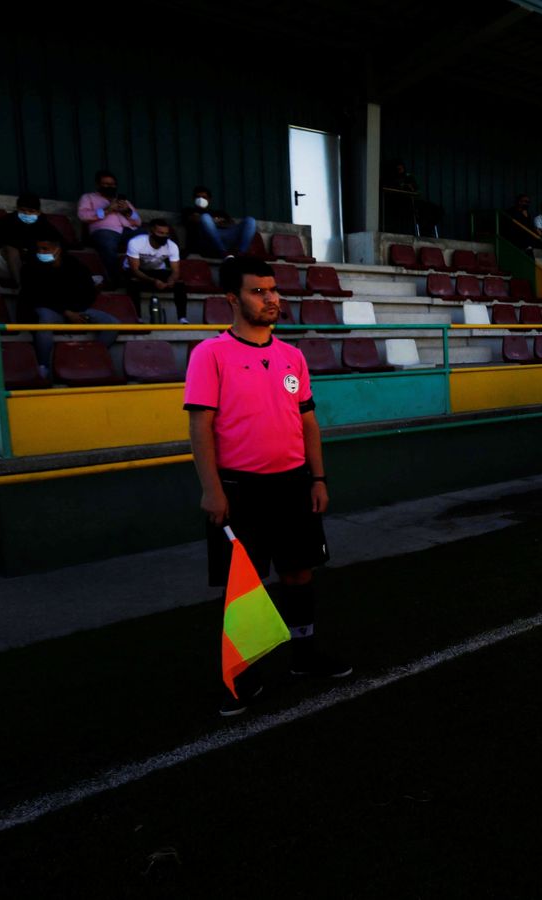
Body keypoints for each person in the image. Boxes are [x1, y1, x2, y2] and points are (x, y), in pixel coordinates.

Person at [185, 256, 351, 717]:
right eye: (258, 291)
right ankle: (245, 676)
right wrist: (211, 489)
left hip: (294, 486)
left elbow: (309, 424)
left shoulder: (291, 356)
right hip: (239, 491)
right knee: (245, 587)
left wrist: (317, 478)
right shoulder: (210, 355)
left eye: (273, 290)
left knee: (299, 573)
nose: (271, 298)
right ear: (231, 299)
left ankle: (304, 657)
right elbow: (200, 429)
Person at [17, 228, 120, 378]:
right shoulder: (30, 266)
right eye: (39, 248)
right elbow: (36, 296)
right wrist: (66, 312)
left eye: (45, 249)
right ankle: (43, 367)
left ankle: (90, 359)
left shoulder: (74, 265)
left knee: (112, 324)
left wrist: (76, 311)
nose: (41, 251)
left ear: (57, 249)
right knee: (44, 319)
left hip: (77, 310)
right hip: (49, 310)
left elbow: (87, 291)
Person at [77, 169, 142, 286]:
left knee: (144, 237)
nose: (110, 187)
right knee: (107, 244)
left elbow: (138, 221)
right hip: (104, 230)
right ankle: (114, 278)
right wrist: (108, 210)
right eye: (106, 184)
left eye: (112, 185)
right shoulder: (88, 197)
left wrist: (127, 211)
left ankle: (144, 276)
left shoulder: (123, 201)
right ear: (98, 185)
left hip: (127, 230)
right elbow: (83, 216)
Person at [126, 219, 190, 324]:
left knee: (180, 284)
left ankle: (182, 318)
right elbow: (135, 269)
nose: (164, 236)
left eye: (166, 234)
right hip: (136, 271)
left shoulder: (172, 246)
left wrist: (172, 279)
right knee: (132, 283)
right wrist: (153, 281)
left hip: (157, 270)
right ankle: (137, 318)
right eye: (160, 233)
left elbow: (176, 270)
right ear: (151, 232)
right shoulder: (136, 242)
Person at [0, 192, 50, 288]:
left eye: (31, 211)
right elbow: (2, 243)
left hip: (32, 263)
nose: (26, 214)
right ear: (17, 209)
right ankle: (21, 287)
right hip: (4, 264)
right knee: (11, 249)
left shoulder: (44, 224)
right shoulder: (6, 220)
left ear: (38, 212)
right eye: (23, 210)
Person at [183, 186, 258, 257]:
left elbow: (231, 224)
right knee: (205, 217)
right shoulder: (188, 211)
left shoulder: (219, 212)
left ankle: (241, 253)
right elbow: (195, 219)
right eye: (198, 197)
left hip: (226, 237)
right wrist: (216, 221)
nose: (200, 199)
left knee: (250, 221)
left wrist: (212, 223)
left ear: (209, 199)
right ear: (193, 199)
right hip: (208, 242)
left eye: (204, 197)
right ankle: (223, 251)